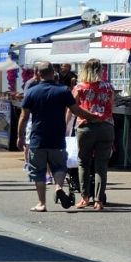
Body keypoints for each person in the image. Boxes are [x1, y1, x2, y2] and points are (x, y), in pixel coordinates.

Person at [16, 61, 99, 212]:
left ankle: (41, 203)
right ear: (53, 73)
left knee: (38, 171)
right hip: (57, 138)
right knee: (60, 167)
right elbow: (76, 110)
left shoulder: (32, 92)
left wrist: (20, 137)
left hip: (37, 138)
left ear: (38, 74)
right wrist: (92, 116)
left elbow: (23, 117)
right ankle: (59, 187)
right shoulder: (62, 90)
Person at [72, 58, 116, 210]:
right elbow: (112, 105)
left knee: (83, 163)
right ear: (101, 70)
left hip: (86, 127)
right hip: (106, 127)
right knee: (101, 165)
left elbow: (73, 107)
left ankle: (84, 198)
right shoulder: (108, 87)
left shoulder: (80, 87)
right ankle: (99, 201)